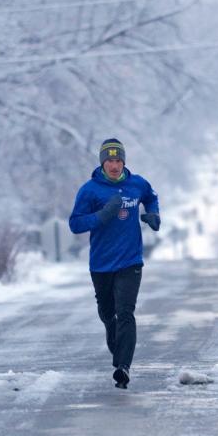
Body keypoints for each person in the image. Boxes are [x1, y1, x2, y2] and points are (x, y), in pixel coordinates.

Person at [69, 139, 160, 389]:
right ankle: (114, 341)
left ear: (124, 161)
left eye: (118, 160)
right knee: (108, 314)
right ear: (102, 162)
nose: (114, 165)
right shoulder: (90, 190)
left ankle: (123, 367)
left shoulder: (137, 184)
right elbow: (75, 224)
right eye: (109, 160)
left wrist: (153, 215)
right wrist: (102, 216)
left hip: (131, 261)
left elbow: (151, 197)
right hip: (101, 263)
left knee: (126, 312)